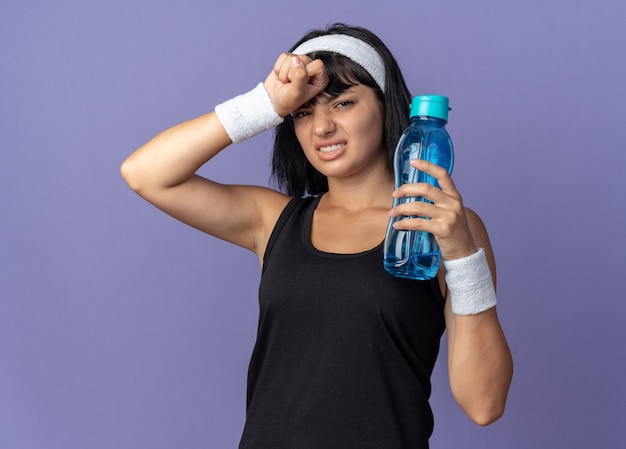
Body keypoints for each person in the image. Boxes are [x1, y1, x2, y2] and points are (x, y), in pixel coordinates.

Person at [121, 23, 513, 449]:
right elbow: (145, 174)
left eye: (343, 103)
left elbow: (484, 404)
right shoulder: (273, 220)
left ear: (386, 108)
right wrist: (265, 104)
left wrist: (460, 253)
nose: (321, 127)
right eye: (304, 111)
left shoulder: (445, 226)